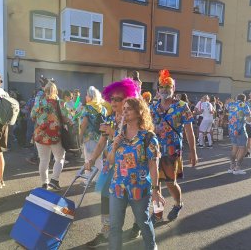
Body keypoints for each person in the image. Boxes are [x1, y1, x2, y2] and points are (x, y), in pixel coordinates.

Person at [84, 78, 140, 248]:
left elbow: (134, 141)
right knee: (106, 198)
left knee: (134, 198)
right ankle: (105, 231)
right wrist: (92, 159)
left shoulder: (132, 119)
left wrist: (114, 132)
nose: (114, 102)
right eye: (112, 99)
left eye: (118, 99)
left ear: (127, 99)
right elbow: (101, 142)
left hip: (130, 166)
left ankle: (138, 224)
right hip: (111, 165)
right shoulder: (108, 118)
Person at [108, 97, 165, 250]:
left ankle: (151, 247)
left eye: (129, 109)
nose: (124, 111)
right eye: (124, 108)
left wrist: (155, 190)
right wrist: (114, 146)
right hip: (118, 187)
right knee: (114, 227)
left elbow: (154, 165)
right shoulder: (118, 135)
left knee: (143, 222)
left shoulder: (148, 137)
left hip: (139, 188)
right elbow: (111, 161)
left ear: (139, 112)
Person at [150, 70, 198, 224]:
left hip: (172, 152)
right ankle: (158, 213)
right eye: (161, 87)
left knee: (171, 183)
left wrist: (193, 153)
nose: (164, 90)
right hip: (154, 151)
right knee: (155, 185)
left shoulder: (182, 106)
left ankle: (178, 204)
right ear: (157, 90)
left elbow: (189, 132)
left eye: (168, 87)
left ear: (173, 89)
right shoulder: (153, 106)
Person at [31, 82, 66, 190]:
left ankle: (44, 183)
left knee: (43, 159)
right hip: (55, 135)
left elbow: (32, 116)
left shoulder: (38, 102)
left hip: (40, 134)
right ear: (55, 91)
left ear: (45, 90)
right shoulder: (60, 103)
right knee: (60, 158)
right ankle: (54, 180)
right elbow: (65, 117)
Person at [79, 86, 107, 182]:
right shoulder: (103, 108)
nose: (86, 97)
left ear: (90, 97)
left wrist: (80, 136)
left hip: (89, 138)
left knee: (88, 159)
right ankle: (99, 180)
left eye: (87, 95)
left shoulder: (87, 108)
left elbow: (84, 123)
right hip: (101, 138)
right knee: (98, 159)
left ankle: (88, 179)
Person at [227, 94, 251, 175]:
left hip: (231, 129)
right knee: (242, 149)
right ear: (244, 99)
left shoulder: (231, 104)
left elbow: (227, 109)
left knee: (234, 148)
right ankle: (237, 168)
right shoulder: (244, 105)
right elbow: (249, 119)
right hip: (240, 129)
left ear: (237, 98)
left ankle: (231, 167)